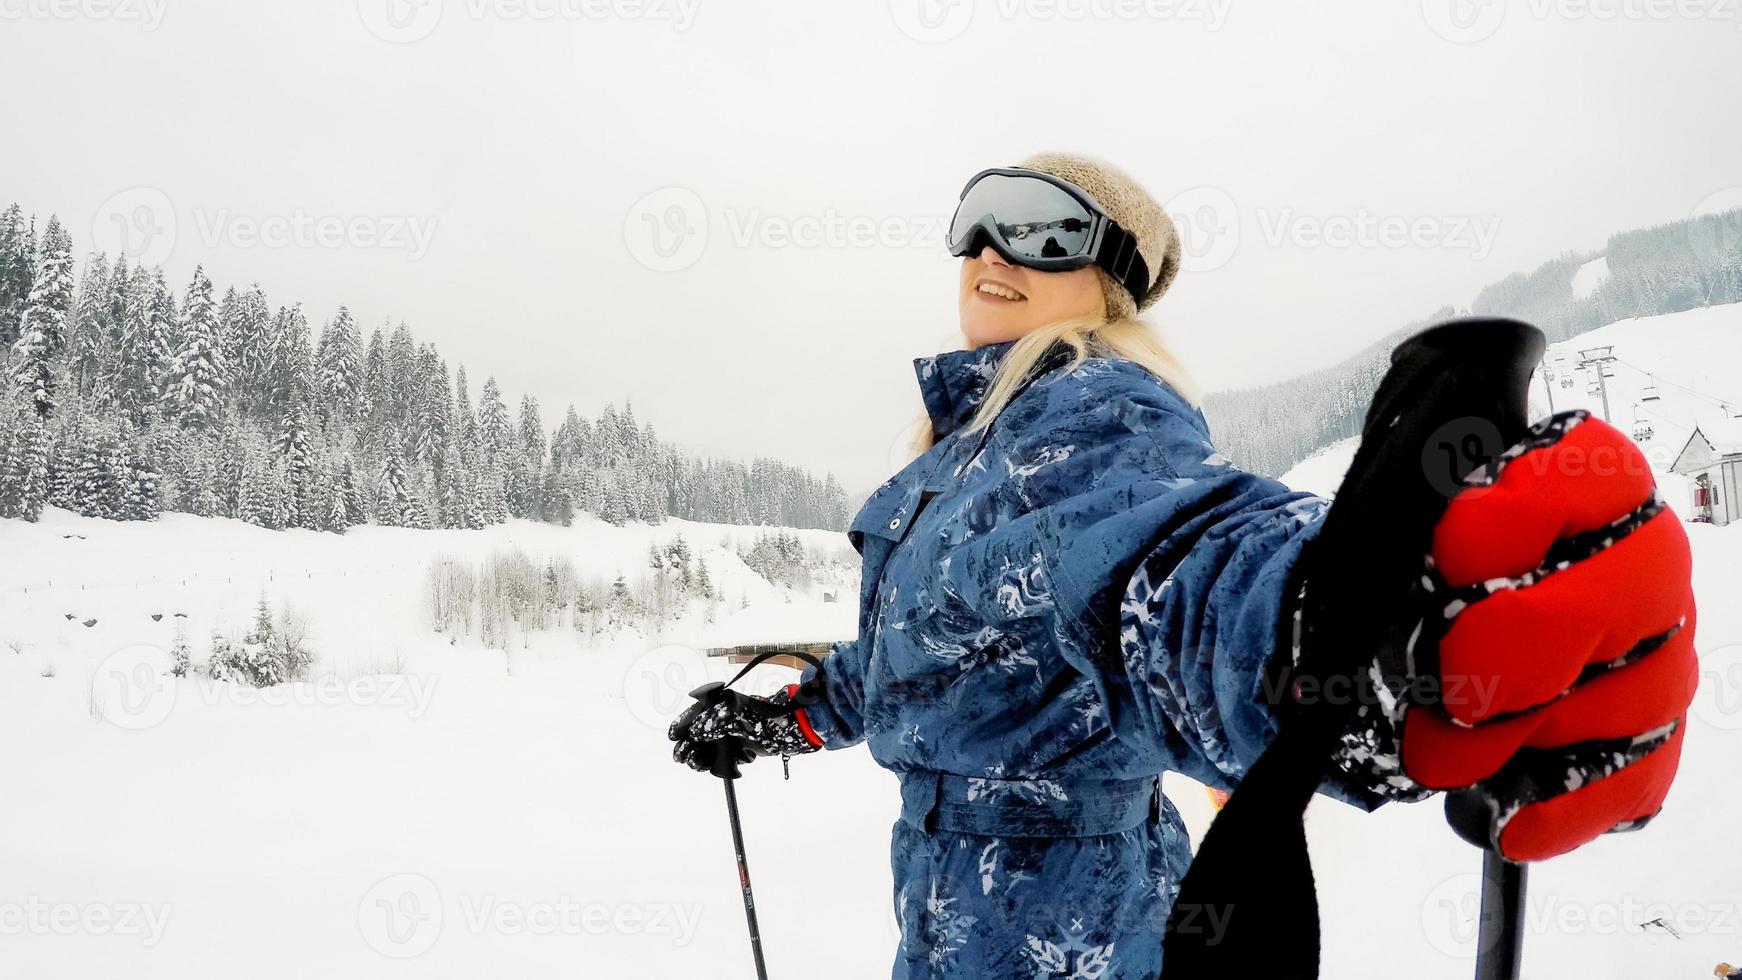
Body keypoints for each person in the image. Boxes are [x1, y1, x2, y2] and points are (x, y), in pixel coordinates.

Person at [669, 153, 1698, 978]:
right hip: (945, 914)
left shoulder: (1093, 416)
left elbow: (1166, 565)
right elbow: (921, 665)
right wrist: (780, 718)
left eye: (1043, 227)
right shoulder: (957, 455)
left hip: (1073, 921)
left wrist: (1368, 617)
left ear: (1106, 279)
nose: (993, 245)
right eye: (978, 218)